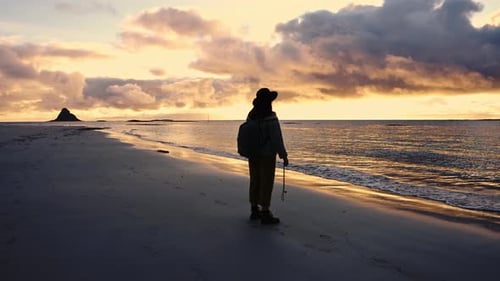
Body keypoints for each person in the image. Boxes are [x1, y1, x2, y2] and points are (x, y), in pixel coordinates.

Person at [246, 87, 289, 225]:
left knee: (255, 180)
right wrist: (283, 155)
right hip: (267, 155)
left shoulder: (251, 115)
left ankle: (254, 209)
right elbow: (276, 138)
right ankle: (265, 212)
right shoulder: (271, 117)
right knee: (266, 181)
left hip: (253, 153)